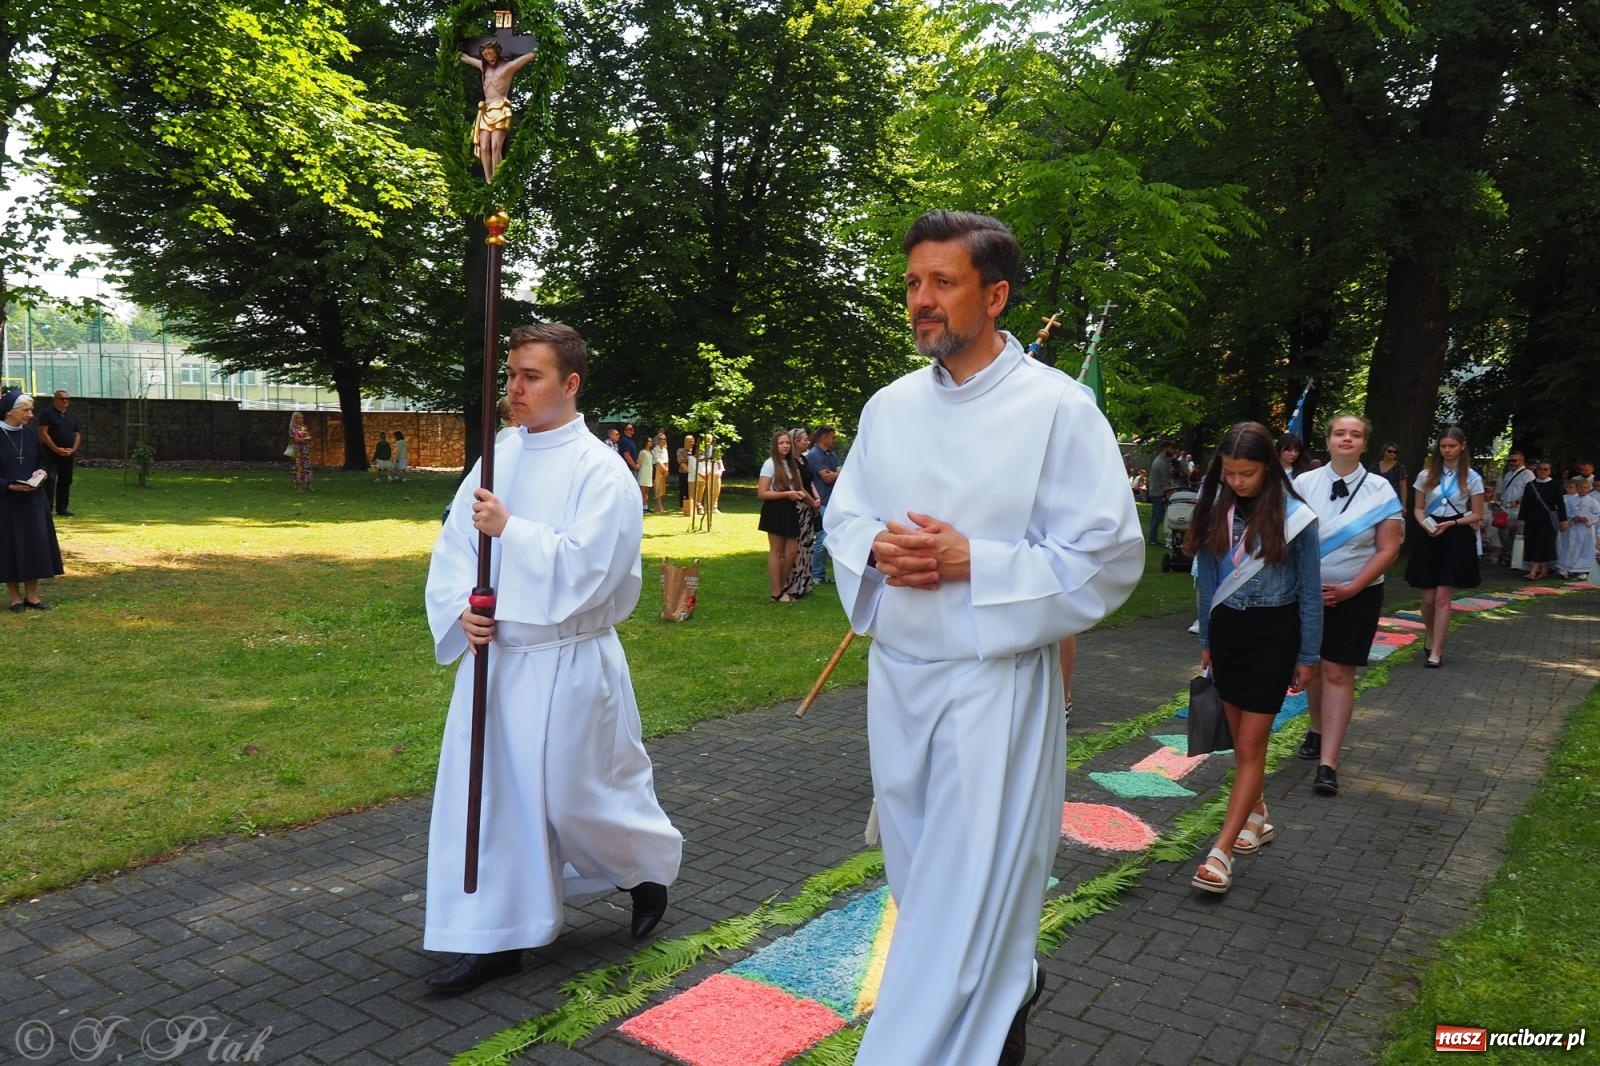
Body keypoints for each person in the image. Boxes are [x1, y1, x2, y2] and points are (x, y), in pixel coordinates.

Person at [825, 211, 1142, 1066]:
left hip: (991, 683)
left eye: (942, 283)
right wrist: (873, 548)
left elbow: (1109, 556)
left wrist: (980, 563)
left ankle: (927, 1046)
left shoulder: (1057, 410)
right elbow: (843, 517)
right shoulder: (888, 407)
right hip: (898, 678)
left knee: (969, 890)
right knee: (921, 880)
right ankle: (1009, 986)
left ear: (994, 295)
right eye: (912, 284)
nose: (920, 302)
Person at [422, 322, 682, 995]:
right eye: (510, 374)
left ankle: (643, 869)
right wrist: (463, 609)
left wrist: (513, 532)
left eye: (530, 376)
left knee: (579, 799)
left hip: (569, 664)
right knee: (492, 801)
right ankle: (495, 937)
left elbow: (593, 571)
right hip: (499, 662)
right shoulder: (495, 457)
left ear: (570, 384)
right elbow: (454, 548)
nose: (514, 388)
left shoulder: (602, 472)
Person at [1189, 421, 1321, 894]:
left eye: (1246, 473)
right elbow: (1206, 583)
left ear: (1269, 467)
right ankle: (1257, 815)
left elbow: (1309, 589)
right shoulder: (1214, 511)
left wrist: (1308, 654)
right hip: (1228, 634)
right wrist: (1206, 639)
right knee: (1239, 744)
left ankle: (1220, 853)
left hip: (1274, 634)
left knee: (1250, 746)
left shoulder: (1296, 516)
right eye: (1229, 472)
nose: (1237, 482)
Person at [1294, 414, 1403, 797]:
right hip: (1307, 594)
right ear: (1328, 440)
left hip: (1358, 593)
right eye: (1340, 432)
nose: (1347, 438)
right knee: (1314, 667)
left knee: (1339, 671)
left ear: (1363, 444)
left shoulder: (1380, 491)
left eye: (1355, 434)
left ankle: (1328, 763)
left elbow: (1388, 548)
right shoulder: (1303, 483)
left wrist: (1353, 587)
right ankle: (1316, 727)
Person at [1404, 427, 1485, 667]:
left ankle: (1436, 651)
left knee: (1442, 596)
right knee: (1427, 598)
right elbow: (1418, 507)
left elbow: (1478, 514)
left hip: (1456, 534)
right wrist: (1425, 525)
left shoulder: (1472, 477)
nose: (1447, 450)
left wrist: (1453, 523)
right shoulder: (1426, 474)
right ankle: (1430, 634)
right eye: (1443, 446)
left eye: (1451, 446)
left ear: (1462, 446)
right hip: (1429, 532)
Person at [0, 393, 64, 610]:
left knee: (34, 545)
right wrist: (8, 485)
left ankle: (32, 596)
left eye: (31, 409)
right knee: (10, 546)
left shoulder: (29, 435)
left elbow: (42, 461)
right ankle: (15, 598)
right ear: (10, 411)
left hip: (33, 499)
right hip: (6, 501)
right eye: (26, 410)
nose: (31, 414)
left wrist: (41, 472)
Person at [458, 41, 538, 182]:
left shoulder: (508, 67)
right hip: (485, 110)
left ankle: (497, 179)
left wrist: (545, 48)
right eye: (485, 54)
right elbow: (465, 58)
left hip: (501, 109)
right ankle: (489, 180)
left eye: (491, 53)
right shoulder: (484, 68)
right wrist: (450, 47)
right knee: (483, 146)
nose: (489, 57)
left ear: (497, 52)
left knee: (495, 146)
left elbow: (529, 56)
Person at [757, 431, 806, 602]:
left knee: (792, 552)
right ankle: (776, 592)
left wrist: (803, 496)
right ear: (775, 446)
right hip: (775, 509)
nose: (785, 445)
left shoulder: (791, 464)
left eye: (787, 442)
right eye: (781, 443)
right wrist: (786, 494)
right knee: (776, 551)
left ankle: (781, 586)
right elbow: (762, 493)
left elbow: (798, 487)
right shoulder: (769, 464)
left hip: (790, 508)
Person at [781, 427, 820, 600]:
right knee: (796, 548)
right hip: (798, 508)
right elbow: (799, 487)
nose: (808, 442)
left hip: (809, 507)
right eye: (804, 439)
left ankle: (804, 584)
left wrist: (817, 498)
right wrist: (812, 503)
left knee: (807, 546)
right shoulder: (791, 463)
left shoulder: (804, 460)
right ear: (796, 442)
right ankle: (792, 586)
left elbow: (810, 482)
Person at [803, 425, 840, 584]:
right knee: (823, 538)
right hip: (821, 501)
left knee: (828, 537)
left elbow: (837, 472)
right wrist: (839, 473)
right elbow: (827, 478)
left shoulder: (831, 454)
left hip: (832, 502)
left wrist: (836, 473)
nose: (835, 440)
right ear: (823, 438)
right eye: (833, 437)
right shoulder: (814, 455)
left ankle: (820, 573)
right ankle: (816, 574)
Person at [1518, 460, 1566, 580]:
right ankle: (1543, 569)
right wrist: (1521, 518)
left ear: (1550, 471)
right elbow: (1525, 503)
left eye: (1546, 469)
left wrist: (1563, 519)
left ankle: (1534, 571)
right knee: (1533, 541)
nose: (1543, 471)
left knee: (1543, 543)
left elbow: (1560, 503)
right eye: (1540, 469)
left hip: (1547, 518)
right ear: (1536, 470)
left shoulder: (1555, 484)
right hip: (1532, 518)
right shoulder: (1530, 485)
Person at [38, 390, 80, 517]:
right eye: (62, 398)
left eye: (67, 398)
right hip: (50, 452)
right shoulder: (47, 414)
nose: (65, 401)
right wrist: (56, 448)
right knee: (49, 479)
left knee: (66, 480)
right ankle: (47, 508)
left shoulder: (72, 416)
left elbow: (77, 434)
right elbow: (43, 433)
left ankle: (62, 508)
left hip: (68, 453)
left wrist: (73, 449)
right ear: (55, 399)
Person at [1496, 451, 1533, 566]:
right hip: (1505, 507)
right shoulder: (1508, 474)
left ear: (1522, 461)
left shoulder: (1527, 474)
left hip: (1518, 508)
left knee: (1514, 533)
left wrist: (1518, 501)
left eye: (1514, 460)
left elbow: (1530, 492)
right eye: (1510, 460)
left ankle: (1514, 557)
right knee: (1502, 531)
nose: (1512, 463)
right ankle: (1509, 553)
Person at [1558, 477, 1597, 579]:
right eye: (1580, 488)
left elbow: (1597, 514)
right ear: (1577, 489)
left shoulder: (1593, 501)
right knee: (1571, 546)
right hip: (1574, 528)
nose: (1582, 490)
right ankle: (1566, 568)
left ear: (1589, 488)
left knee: (1585, 548)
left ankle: (1582, 570)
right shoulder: (1571, 501)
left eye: (1585, 487)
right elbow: (1566, 513)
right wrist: (1574, 518)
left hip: (1586, 529)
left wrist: (1587, 518)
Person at [1146, 439, 1180, 545]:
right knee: (1158, 516)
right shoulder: (1161, 463)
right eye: (1171, 448)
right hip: (1158, 493)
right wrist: (1172, 493)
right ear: (1166, 448)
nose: (1173, 450)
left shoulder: (1159, 460)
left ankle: (1152, 538)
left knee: (1156, 515)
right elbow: (1165, 484)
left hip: (1154, 491)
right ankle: (1152, 539)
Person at [287, 412, 313, 491]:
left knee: (307, 467)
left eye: (302, 418)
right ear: (295, 419)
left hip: (305, 450)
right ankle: (298, 486)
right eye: (299, 418)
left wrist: (303, 439)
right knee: (297, 468)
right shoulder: (292, 428)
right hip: (297, 450)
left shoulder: (303, 427)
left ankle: (309, 485)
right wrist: (303, 439)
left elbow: (309, 437)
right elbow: (295, 439)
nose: (301, 419)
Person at [651, 430, 670, 514]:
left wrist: (667, 469)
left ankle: (657, 505)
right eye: (661, 439)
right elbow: (658, 461)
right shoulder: (655, 449)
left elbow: (667, 460)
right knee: (658, 487)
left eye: (664, 439)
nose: (663, 440)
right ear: (658, 440)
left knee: (663, 489)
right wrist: (664, 469)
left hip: (664, 468)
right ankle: (660, 505)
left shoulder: (665, 449)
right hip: (658, 469)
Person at [678, 433, 696, 514]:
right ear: (685, 442)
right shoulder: (681, 451)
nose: (692, 443)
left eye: (692, 441)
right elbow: (681, 462)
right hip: (684, 474)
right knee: (684, 490)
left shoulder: (695, 451)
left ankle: (693, 507)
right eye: (690, 441)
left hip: (694, 474)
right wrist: (689, 471)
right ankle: (683, 507)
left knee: (692, 491)